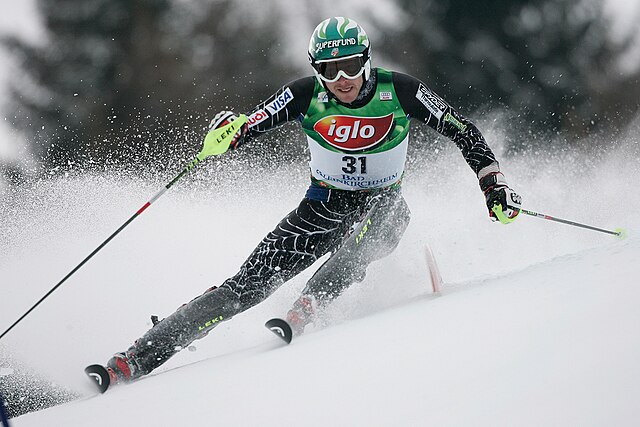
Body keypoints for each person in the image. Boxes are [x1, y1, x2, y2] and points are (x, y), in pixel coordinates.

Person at [103, 17, 522, 384]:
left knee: (386, 218)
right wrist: (227, 134)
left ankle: (312, 300)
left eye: (350, 66)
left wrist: (494, 185)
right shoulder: (305, 95)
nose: (341, 78)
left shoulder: (401, 91)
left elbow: (462, 130)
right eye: (328, 69)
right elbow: (252, 125)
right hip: (320, 207)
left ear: (366, 60)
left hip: (382, 206)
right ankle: (138, 356)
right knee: (243, 288)